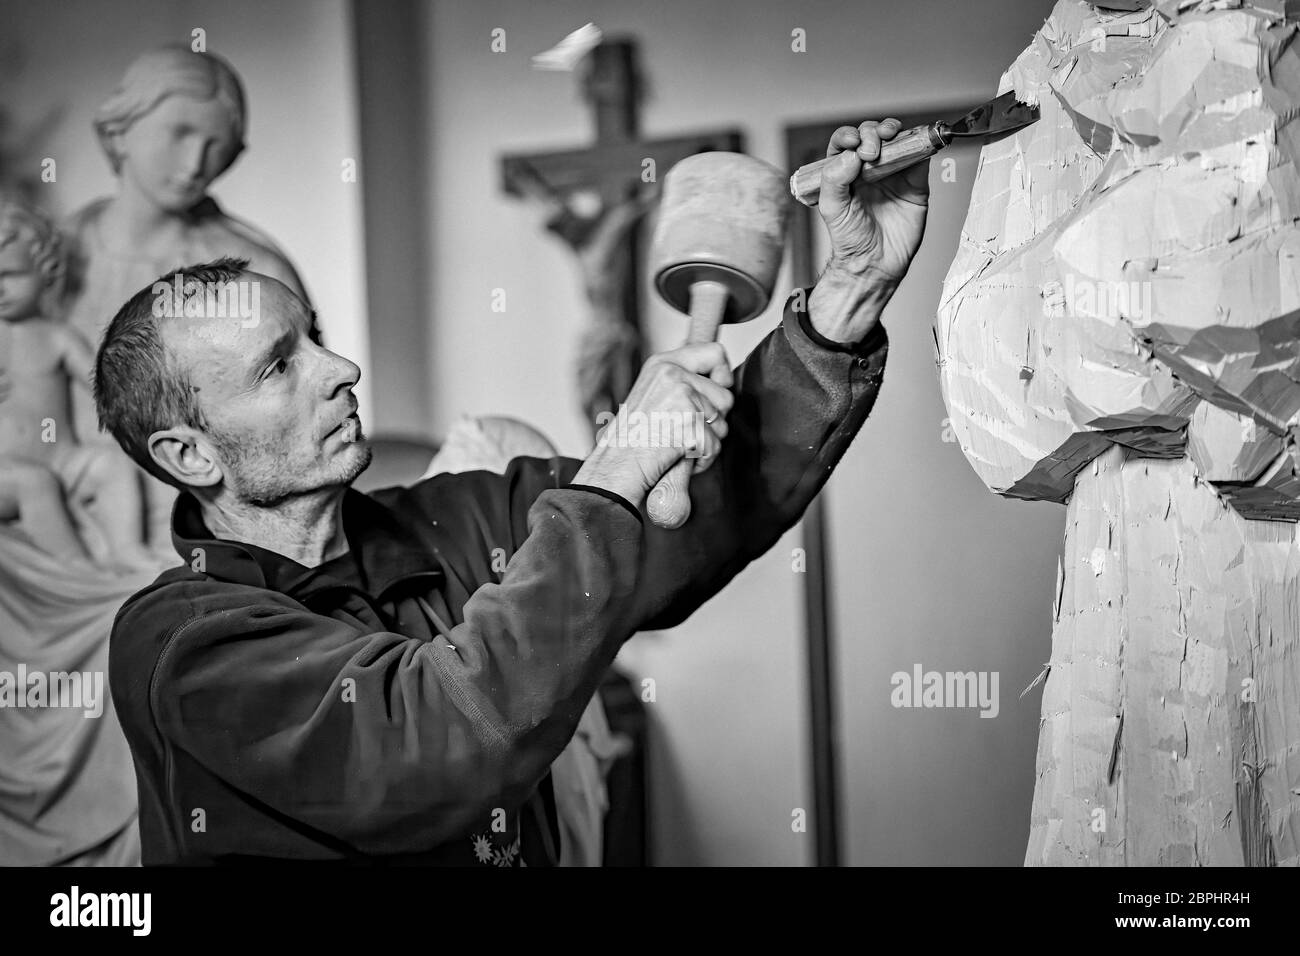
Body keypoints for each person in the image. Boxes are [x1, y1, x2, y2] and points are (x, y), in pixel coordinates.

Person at [96, 119, 928, 865]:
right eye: (281, 365)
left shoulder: (463, 518)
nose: (342, 369)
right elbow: (431, 743)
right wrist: (614, 471)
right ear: (189, 454)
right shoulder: (183, 646)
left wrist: (849, 296)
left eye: (318, 336)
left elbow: (694, 516)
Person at [61, 45, 309, 551]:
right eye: (179, 134)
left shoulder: (251, 270)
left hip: (195, 523)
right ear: (119, 131)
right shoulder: (51, 260)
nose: (195, 163)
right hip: (61, 520)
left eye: (216, 145)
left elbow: (298, 419)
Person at [0, 197, 152, 570]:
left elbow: (101, 383)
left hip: (63, 461)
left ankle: (126, 549)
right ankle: (77, 568)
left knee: (112, 467)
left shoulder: (56, 336)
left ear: (46, 271)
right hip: (9, 475)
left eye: (10, 275)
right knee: (35, 484)